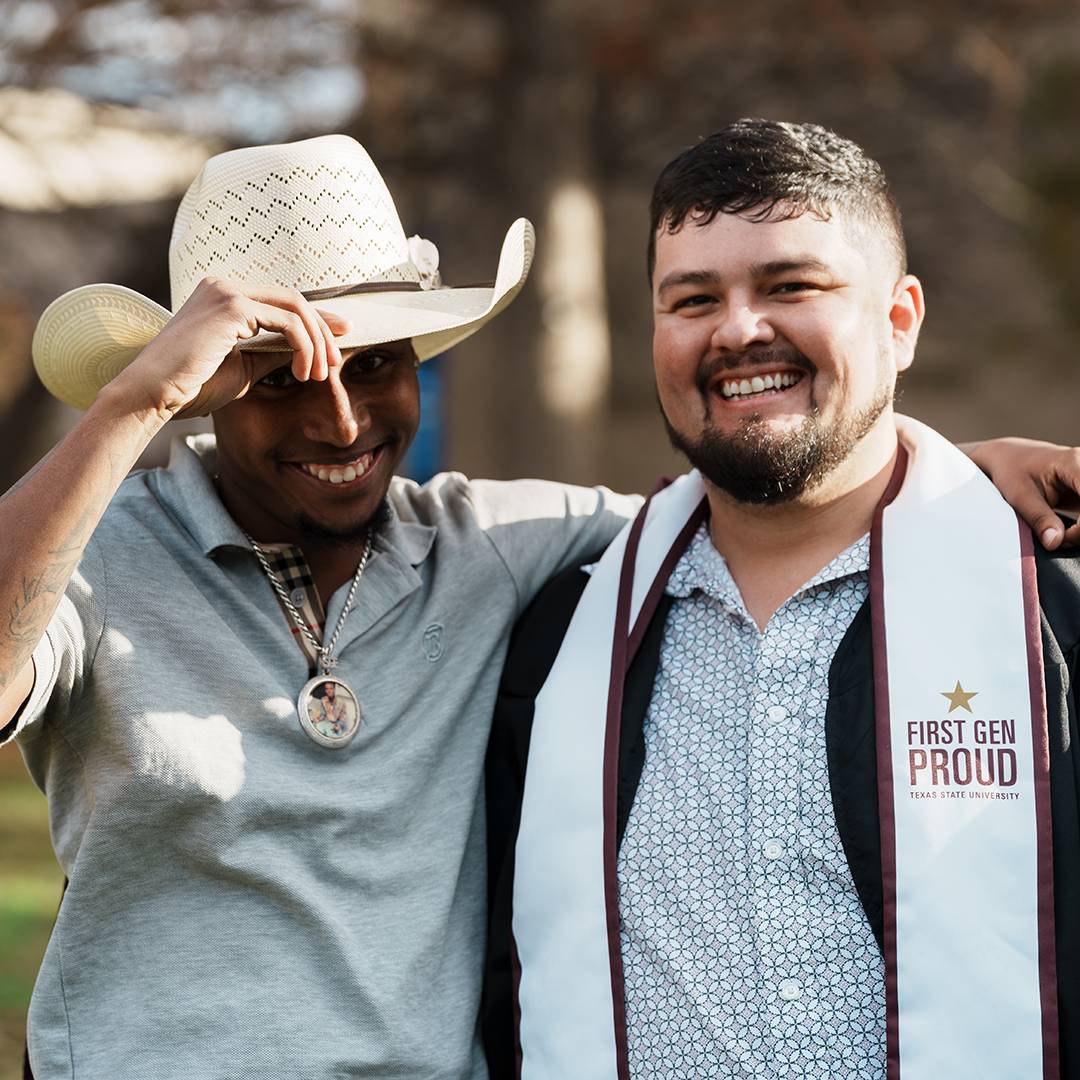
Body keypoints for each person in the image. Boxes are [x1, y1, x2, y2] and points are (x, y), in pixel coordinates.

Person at [0, 130, 1073, 1079]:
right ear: (204, 387)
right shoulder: (91, 554)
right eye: (274, 378)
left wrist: (949, 470)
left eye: (375, 365)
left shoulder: (492, 545)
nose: (338, 423)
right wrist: (133, 402)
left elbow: (762, 484)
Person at [484, 120, 1080, 1080]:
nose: (737, 329)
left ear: (900, 321)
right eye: (692, 299)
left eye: (790, 286)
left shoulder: (1047, 605)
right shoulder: (560, 636)